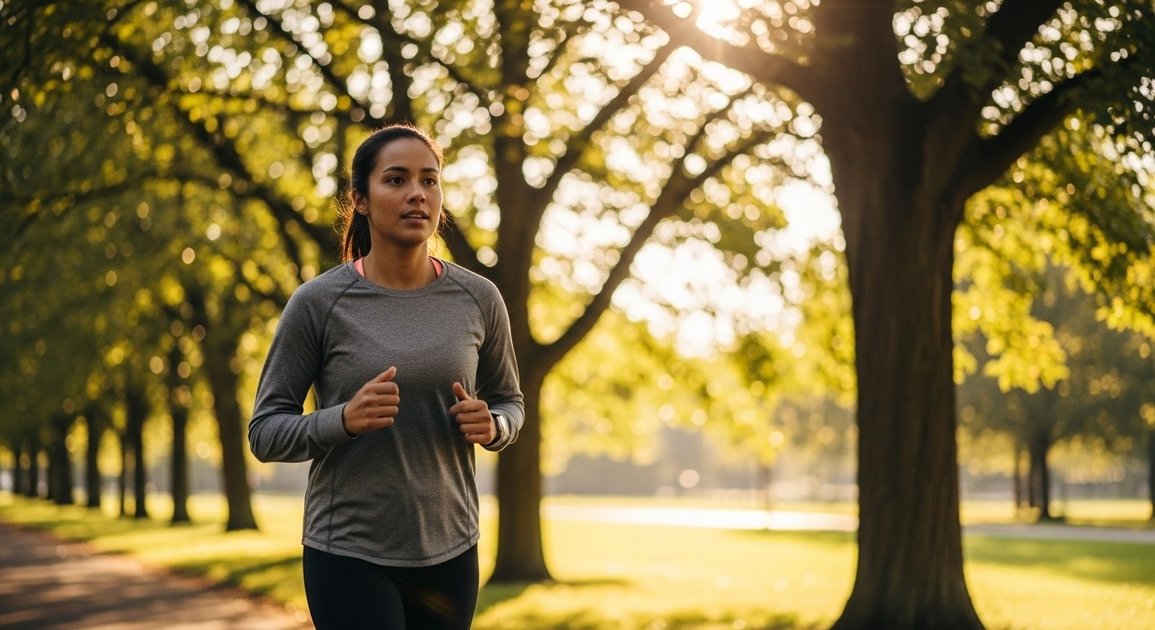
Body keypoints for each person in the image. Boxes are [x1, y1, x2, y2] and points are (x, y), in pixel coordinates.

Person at [249, 123, 524, 630]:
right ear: (360, 199)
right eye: (396, 180)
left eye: (429, 180)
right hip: (348, 554)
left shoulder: (479, 298)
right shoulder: (318, 303)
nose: (417, 193)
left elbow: (510, 403)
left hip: (451, 550)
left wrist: (495, 426)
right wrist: (342, 420)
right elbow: (265, 432)